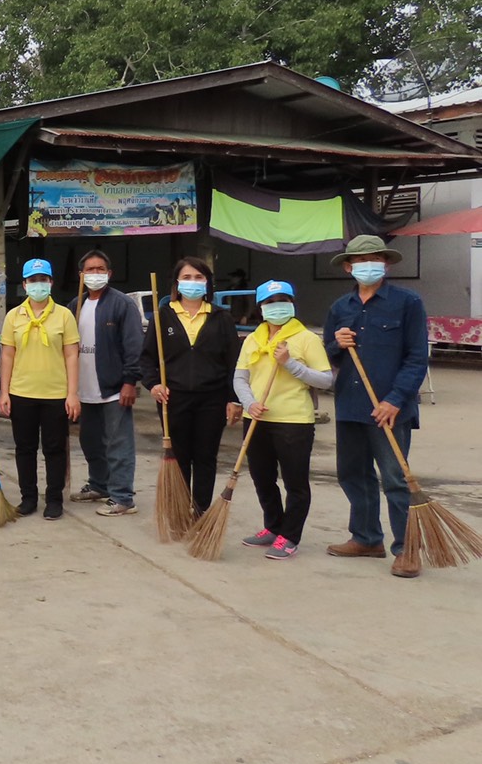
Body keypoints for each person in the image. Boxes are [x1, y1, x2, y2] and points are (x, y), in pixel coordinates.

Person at [321, 235, 429, 577]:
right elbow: (327, 354)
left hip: (391, 410)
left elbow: (417, 357)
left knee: (396, 478)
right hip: (350, 404)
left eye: (375, 259)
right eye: (360, 260)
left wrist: (395, 399)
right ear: (348, 267)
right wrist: (336, 344)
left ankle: (406, 549)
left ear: (386, 264)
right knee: (353, 474)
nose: (368, 265)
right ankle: (366, 538)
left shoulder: (408, 303)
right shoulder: (340, 308)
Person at [235, 281, 334, 560]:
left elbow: (325, 380)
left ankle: (290, 536)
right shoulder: (253, 340)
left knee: (295, 482)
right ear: (261, 308)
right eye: (270, 302)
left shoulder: (306, 338)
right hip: (256, 418)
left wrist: (290, 363)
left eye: (283, 301)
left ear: (292, 304)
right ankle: (273, 525)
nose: (277, 307)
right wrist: (249, 403)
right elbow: (240, 377)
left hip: (294, 420)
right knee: (262, 478)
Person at [140, 257, 242, 515]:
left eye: (198, 277)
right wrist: (153, 384)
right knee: (179, 457)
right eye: (187, 277)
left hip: (213, 399)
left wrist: (234, 398)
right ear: (177, 283)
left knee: (206, 457)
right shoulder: (163, 316)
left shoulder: (222, 318)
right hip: (173, 398)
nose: (193, 282)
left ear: (207, 283)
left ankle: (200, 511)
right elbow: (147, 358)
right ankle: (178, 510)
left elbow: (234, 362)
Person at [0, 258, 80, 520]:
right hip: (22, 392)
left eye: (43, 279)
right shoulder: (13, 316)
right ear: (24, 284)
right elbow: (7, 355)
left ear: (51, 282)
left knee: (54, 449)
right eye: (33, 280)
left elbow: (71, 355)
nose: (38, 285)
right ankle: (28, 498)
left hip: (55, 394)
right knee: (25, 448)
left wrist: (72, 393)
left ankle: (54, 499)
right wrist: (4, 391)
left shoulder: (64, 315)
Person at [68, 250, 144, 517]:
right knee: (90, 442)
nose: (95, 274)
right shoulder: (75, 305)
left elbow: (134, 345)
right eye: (90, 270)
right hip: (84, 388)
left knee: (118, 444)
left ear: (109, 273)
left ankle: (123, 496)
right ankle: (99, 484)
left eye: (100, 269)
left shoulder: (122, 304)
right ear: (81, 275)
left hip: (113, 388)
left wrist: (130, 381)